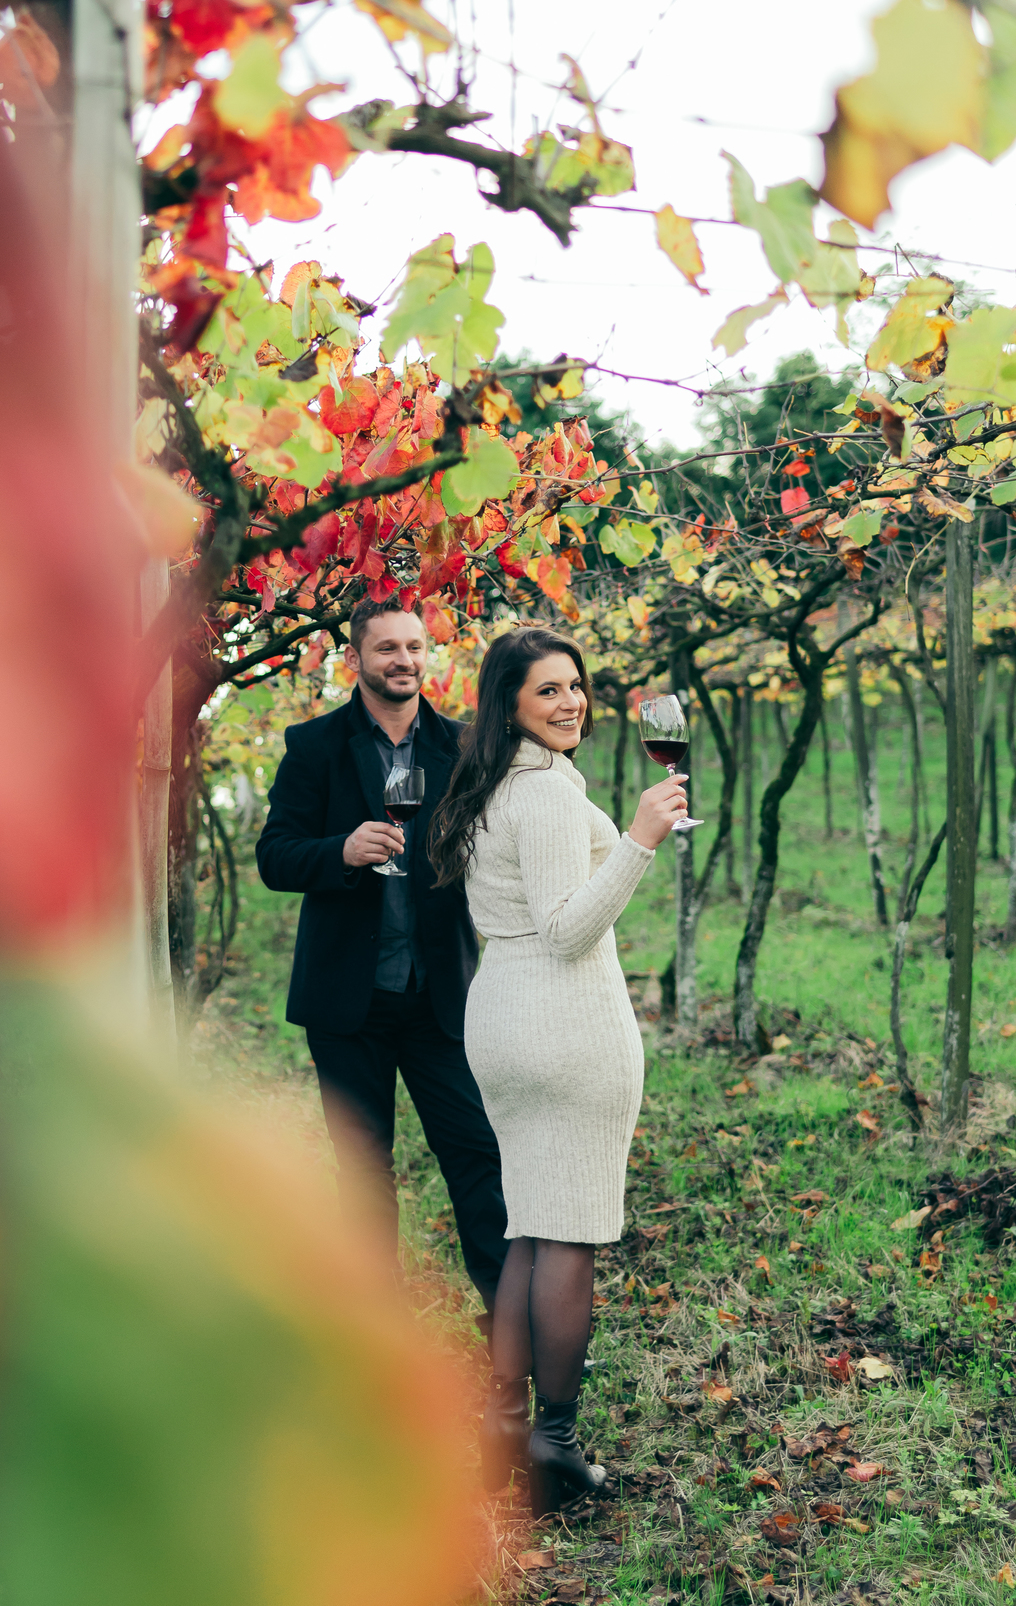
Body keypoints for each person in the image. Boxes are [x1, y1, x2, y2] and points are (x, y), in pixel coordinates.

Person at [428, 625, 687, 1515]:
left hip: (506, 1019)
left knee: (530, 1230)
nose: (570, 701)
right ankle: (557, 1445)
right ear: (509, 704)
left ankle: (504, 1425)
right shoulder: (539, 794)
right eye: (547, 689)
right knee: (567, 1234)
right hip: (562, 1026)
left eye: (575, 685)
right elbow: (569, 928)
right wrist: (641, 838)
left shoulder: (502, 783)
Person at [255, 595, 508, 1327]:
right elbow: (274, 856)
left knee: (476, 1155)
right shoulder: (315, 747)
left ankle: (511, 1325)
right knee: (364, 1172)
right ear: (354, 659)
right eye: (387, 648)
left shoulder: (464, 747)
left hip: (441, 998)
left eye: (415, 646)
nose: (404, 660)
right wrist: (340, 850)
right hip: (347, 1002)